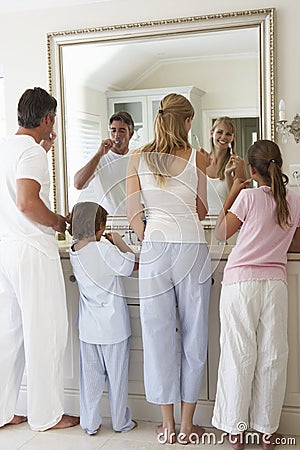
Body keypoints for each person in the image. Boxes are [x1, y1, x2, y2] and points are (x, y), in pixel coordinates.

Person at [126, 93, 212, 444]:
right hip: (192, 246)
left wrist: (153, 237)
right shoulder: (199, 157)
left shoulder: (137, 157)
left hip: (156, 251)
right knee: (195, 334)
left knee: (158, 335)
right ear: (188, 121)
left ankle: (168, 426)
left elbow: (134, 216)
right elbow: (203, 210)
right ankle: (189, 424)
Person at [212, 140, 300, 450]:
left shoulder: (247, 197)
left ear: (251, 170)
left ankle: (236, 434)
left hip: (240, 285)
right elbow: (297, 243)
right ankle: (267, 432)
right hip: (274, 285)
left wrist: (234, 189)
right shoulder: (294, 200)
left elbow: (220, 233)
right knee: (273, 357)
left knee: (238, 356)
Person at [0, 87, 79, 431]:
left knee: (9, 334)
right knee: (46, 330)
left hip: (5, 249)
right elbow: (27, 203)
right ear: (47, 119)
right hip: (32, 249)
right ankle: (46, 415)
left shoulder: (5, 146)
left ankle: (3, 412)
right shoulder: (32, 153)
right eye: (53, 120)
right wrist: (59, 222)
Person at [68, 201, 138, 435]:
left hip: (89, 329)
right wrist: (119, 242)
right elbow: (132, 265)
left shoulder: (74, 250)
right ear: (99, 226)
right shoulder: (106, 250)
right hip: (114, 328)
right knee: (117, 379)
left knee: (90, 380)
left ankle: (90, 424)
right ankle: (120, 422)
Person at [74, 111, 134, 215]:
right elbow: (78, 184)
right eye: (113, 130)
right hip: (110, 222)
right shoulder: (99, 158)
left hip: (134, 219)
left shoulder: (136, 157)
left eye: (122, 131)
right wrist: (99, 154)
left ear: (131, 134)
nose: (116, 135)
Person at [206, 116, 247, 215]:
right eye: (220, 132)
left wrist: (228, 175)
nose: (223, 137)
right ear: (212, 133)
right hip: (203, 224)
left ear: (232, 138)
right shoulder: (201, 161)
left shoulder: (238, 164)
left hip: (226, 225)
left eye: (228, 134)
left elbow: (239, 203)